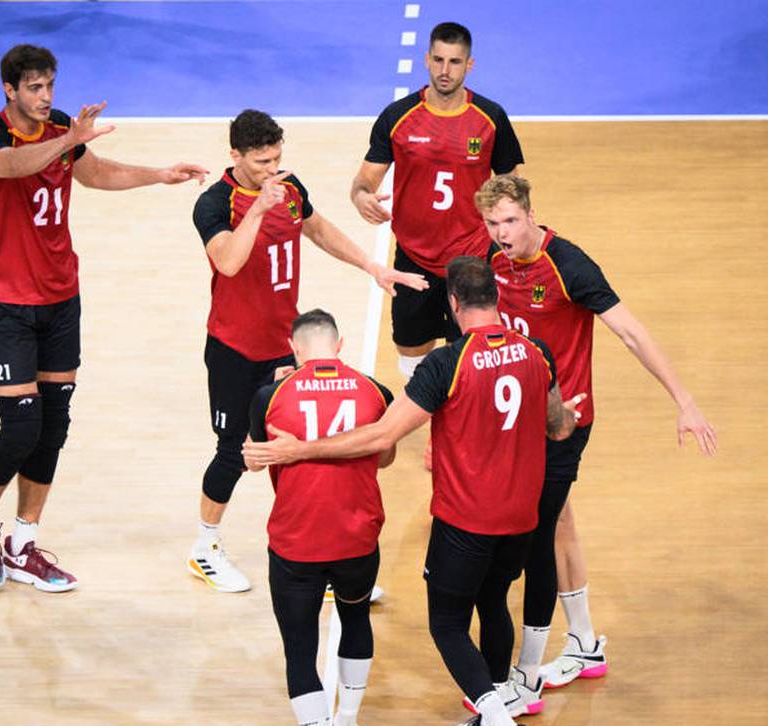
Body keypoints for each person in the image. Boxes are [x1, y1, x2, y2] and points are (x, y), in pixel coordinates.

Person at [246, 257, 583, 726]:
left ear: (453, 302)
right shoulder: (536, 351)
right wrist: (568, 413)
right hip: (520, 519)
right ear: (497, 296)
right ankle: (504, 696)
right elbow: (558, 425)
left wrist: (300, 449)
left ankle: (494, 714)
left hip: (466, 520)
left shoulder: (446, 363)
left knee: (446, 622)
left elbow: (382, 437)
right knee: (493, 603)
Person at [0, 44, 207, 592]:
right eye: (34, 87)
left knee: (53, 428)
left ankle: (23, 542)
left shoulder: (56, 128)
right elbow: (12, 168)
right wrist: (69, 138)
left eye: (50, 85)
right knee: (21, 425)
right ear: (9, 90)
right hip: (5, 301)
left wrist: (159, 174)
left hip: (60, 297)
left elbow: (93, 173)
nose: (46, 96)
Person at [475, 174, 717, 702]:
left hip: (565, 423)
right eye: (493, 224)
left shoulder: (569, 266)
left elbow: (630, 331)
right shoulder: (492, 261)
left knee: (536, 540)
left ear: (532, 216)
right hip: (518, 423)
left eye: (511, 222)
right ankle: (583, 642)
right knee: (559, 522)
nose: (502, 234)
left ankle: (527, 674)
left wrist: (685, 402)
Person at [189, 109, 426, 593]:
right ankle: (205, 547)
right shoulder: (215, 204)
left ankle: (317, 556)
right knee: (235, 452)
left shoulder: (290, 188)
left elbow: (317, 229)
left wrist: (370, 266)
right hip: (234, 350)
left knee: (299, 449)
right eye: (260, 161)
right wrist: (258, 206)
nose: (271, 168)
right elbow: (229, 262)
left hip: (286, 347)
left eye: (277, 157)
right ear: (234, 155)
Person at [350, 21, 524, 390]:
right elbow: (364, 182)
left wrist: (511, 235)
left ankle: (457, 428)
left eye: (455, 62)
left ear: (469, 65)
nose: (445, 71)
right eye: (439, 60)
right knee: (411, 352)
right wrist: (363, 197)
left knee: (473, 354)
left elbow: (514, 186)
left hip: (473, 256)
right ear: (427, 59)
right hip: (414, 258)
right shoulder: (398, 117)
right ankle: (433, 416)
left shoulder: (490, 118)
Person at [246, 309, 395, 726]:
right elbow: (385, 455)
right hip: (358, 537)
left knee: (300, 646)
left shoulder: (270, 396)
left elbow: (254, 458)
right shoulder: (375, 391)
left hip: (297, 541)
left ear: (294, 349)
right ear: (340, 344)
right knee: (355, 617)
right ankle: (347, 718)